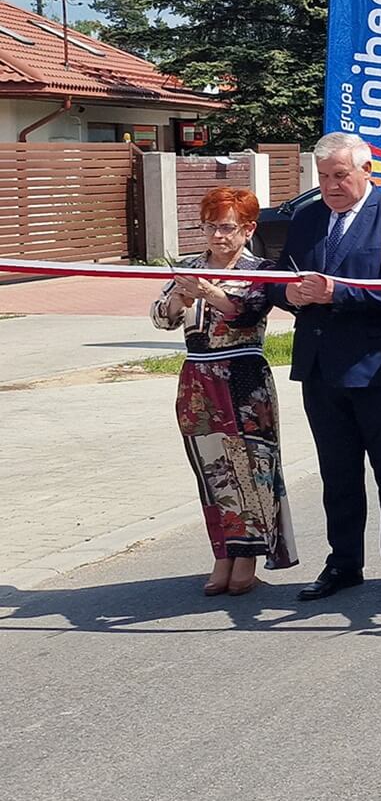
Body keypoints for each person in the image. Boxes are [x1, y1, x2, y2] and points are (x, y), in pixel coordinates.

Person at [270, 131, 381, 600]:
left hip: (380, 369)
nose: (331, 186)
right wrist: (289, 293)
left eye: (340, 176)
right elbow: (279, 275)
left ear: (367, 171)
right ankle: (343, 562)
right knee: (337, 473)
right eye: (322, 177)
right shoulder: (307, 218)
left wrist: (335, 292)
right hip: (321, 369)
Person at [153, 187, 296, 596]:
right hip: (198, 379)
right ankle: (223, 553)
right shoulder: (188, 267)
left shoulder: (261, 268)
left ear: (248, 229)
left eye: (227, 227)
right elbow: (161, 319)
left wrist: (210, 294)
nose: (218, 235)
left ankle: (249, 553)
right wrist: (180, 295)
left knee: (251, 466)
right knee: (211, 469)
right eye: (210, 226)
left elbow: (246, 312)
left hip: (243, 377)